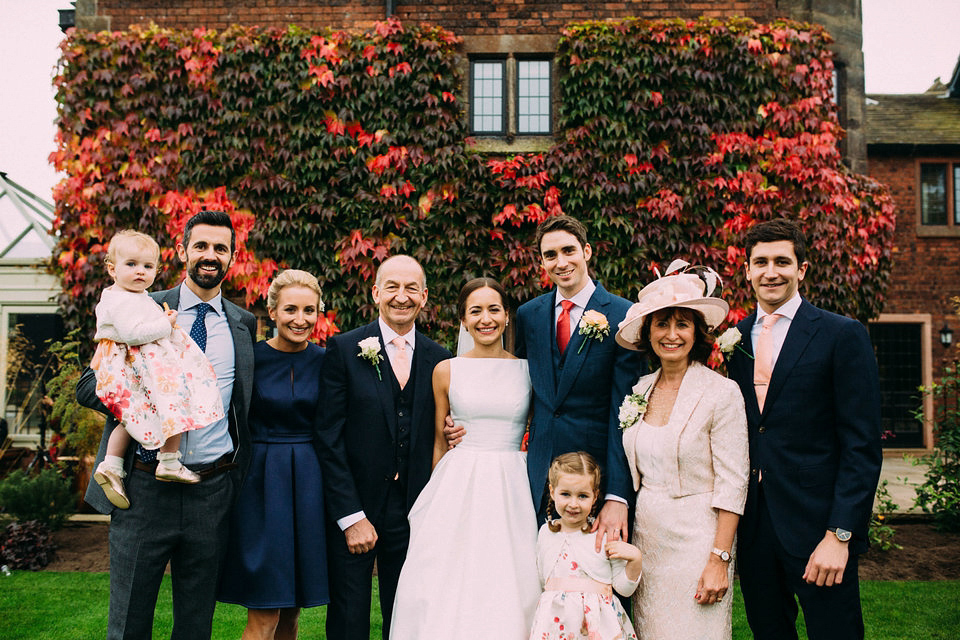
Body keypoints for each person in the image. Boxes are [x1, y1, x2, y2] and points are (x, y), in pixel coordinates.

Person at [78, 211, 256, 640]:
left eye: (220, 248)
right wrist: (145, 404)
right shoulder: (138, 303)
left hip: (211, 492)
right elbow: (89, 386)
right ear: (183, 251)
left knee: (196, 626)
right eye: (201, 246)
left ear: (232, 257)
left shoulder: (243, 324)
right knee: (128, 623)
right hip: (143, 490)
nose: (210, 255)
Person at [724, 218, 882, 640]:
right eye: (760, 262)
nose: (770, 271)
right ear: (747, 270)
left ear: (802, 269)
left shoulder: (841, 335)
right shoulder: (734, 339)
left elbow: (861, 446)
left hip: (818, 528)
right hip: (755, 529)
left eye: (781, 261)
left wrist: (840, 534)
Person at [446, 215, 645, 548]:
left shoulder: (623, 316)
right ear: (542, 261)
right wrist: (466, 421)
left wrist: (616, 496)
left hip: (594, 480)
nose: (561, 262)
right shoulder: (528, 315)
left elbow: (626, 415)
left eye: (569, 251)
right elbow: (511, 383)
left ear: (587, 251)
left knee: (595, 584)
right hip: (534, 479)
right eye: (550, 255)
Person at [390, 278, 541, 639]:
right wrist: (431, 499)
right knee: (448, 577)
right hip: (457, 482)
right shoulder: (446, 370)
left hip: (512, 483)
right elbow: (440, 441)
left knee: (509, 575)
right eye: (475, 311)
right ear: (464, 319)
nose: (485, 319)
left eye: (493, 309)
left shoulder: (528, 371)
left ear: (506, 316)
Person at [317, 255, 452, 640]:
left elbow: (443, 427)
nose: (401, 296)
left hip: (414, 507)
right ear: (376, 292)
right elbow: (328, 438)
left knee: (408, 615)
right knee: (349, 618)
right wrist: (350, 515)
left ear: (424, 297)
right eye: (392, 286)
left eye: (411, 288)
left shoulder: (440, 359)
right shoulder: (344, 349)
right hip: (356, 505)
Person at [615, 260, 749, 640]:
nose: (671, 334)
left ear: (697, 333)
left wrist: (719, 559)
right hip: (648, 539)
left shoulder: (720, 393)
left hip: (699, 542)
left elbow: (733, 484)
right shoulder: (639, 390)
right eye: (662, 324)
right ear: (648, 332)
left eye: (682, 324)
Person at [218, 269, 330, 639]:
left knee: (292, 612)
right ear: (273, 311)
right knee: (265, 613)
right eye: (291, 310)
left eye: (309, 311)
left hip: (310, 485)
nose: (300, 319)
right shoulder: (249, 358)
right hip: (261, 485)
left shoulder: (327, 360)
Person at [90, 230, 225, 509]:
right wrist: (168, 323)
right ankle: (167, 460)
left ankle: (112, 465)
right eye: (131, 265)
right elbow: (132, 333)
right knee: (172, 403)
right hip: (136, 374)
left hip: (214, 484)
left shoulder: (137, 297)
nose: (140, 272)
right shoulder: (124, 299)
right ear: (112, 269)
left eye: (148, 266)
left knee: (134, 418)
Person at [529, 451, 641, 640]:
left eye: (582, 496)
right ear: (552, 491)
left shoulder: (602, 535)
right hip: (556, 627)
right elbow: (542, 581)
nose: (573, 504)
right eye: (565, 494)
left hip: (597, 627)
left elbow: (623, 588)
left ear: (595, 496)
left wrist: (635, 558)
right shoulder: (545, 533)